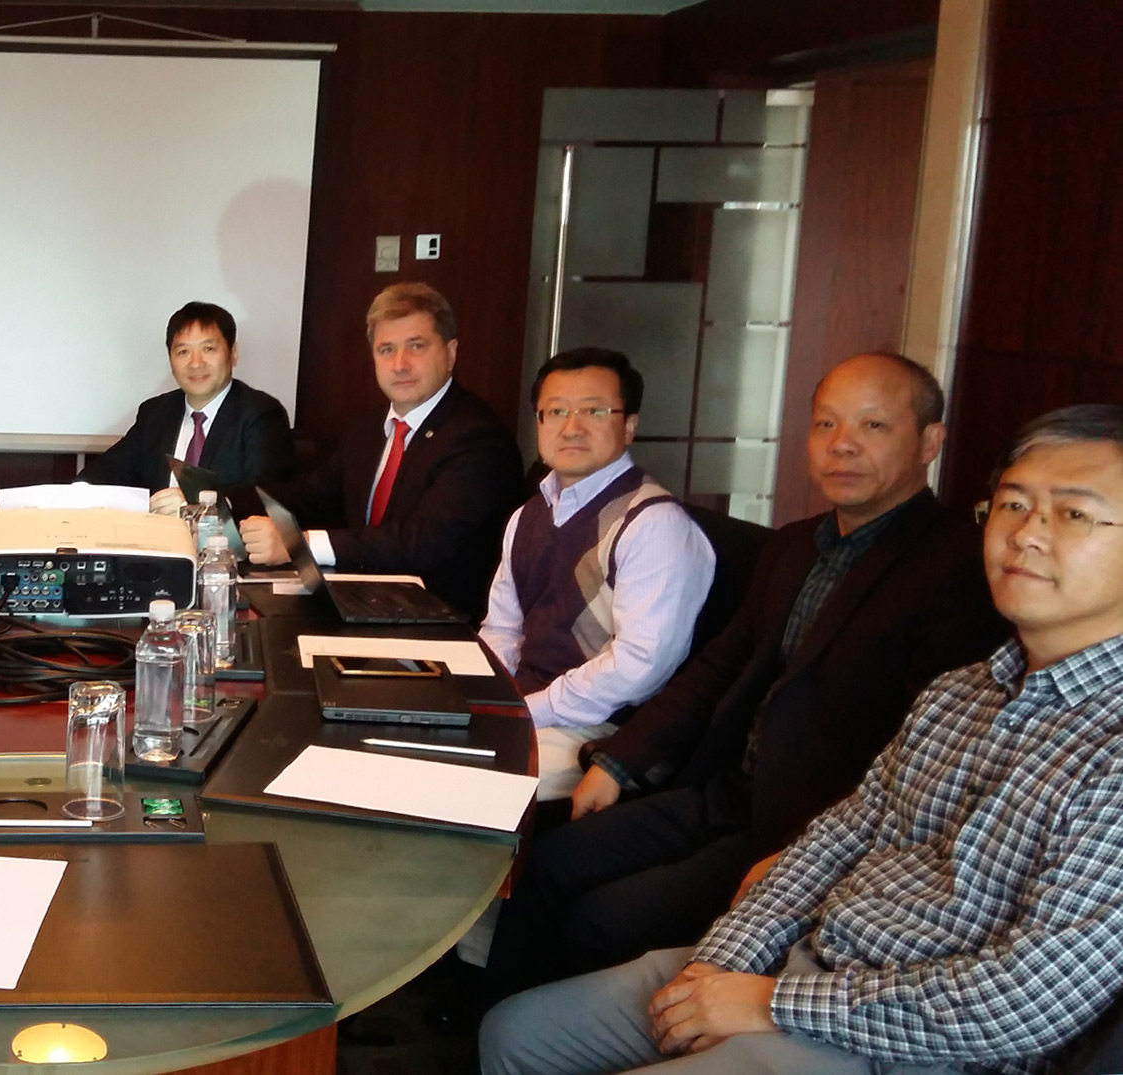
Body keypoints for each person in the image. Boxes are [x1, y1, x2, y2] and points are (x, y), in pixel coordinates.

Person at [480, 403, 1123, 1075]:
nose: (1027, 534)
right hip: (805, 948)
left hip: (917, 1040)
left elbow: (1021, 1003)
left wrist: (774, 1004)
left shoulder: (1106, 746)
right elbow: (837, 837)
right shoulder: (962, 691)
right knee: (515, 1032)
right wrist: (724, 963)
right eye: (1014, 505)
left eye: (1074, 513)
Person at [478, 352, 1008, 1003]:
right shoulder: (795, 545)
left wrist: (809, 855)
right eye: (826, 424)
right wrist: (619, 762)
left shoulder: (958, 567)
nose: (843, 444)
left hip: (810, 825)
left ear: (930, 441)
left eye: (873, 426)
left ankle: (557, 1037)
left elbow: (926, 750)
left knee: (604, 919)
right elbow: (717, 668)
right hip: (726, 789)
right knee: (547, 862)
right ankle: (489, 1033)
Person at [477, 348, 715, 801]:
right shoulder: (528, 515)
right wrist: (483, 695)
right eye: (556, 411)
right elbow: (503, 629)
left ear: (629, 425)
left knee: (455, 787)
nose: (572, 427)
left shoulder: (654, 524)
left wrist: (526, 709)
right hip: (528, 706)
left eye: (594, 411)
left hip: (601, 732)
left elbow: (638, 667)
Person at [237, 283, 523, 617]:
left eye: (416, 346)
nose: (400, 364)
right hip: (361, 603)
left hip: (437, 620)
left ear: (451, 353)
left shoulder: (479, 438)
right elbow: (311, 496)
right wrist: (219, 502)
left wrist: (298, 543)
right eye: (386, 350)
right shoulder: (367, 430)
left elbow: (421, 541)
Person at [77, 301, 295, 508]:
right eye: (183, 352)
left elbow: (265, 495)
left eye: (208, 349)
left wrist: (196, 502)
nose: (196, 363)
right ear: (171, 361)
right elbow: (107, 472)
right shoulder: (156, 412)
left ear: (233, 354)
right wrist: (77, 493)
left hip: (225, 536)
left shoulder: (261, 414)